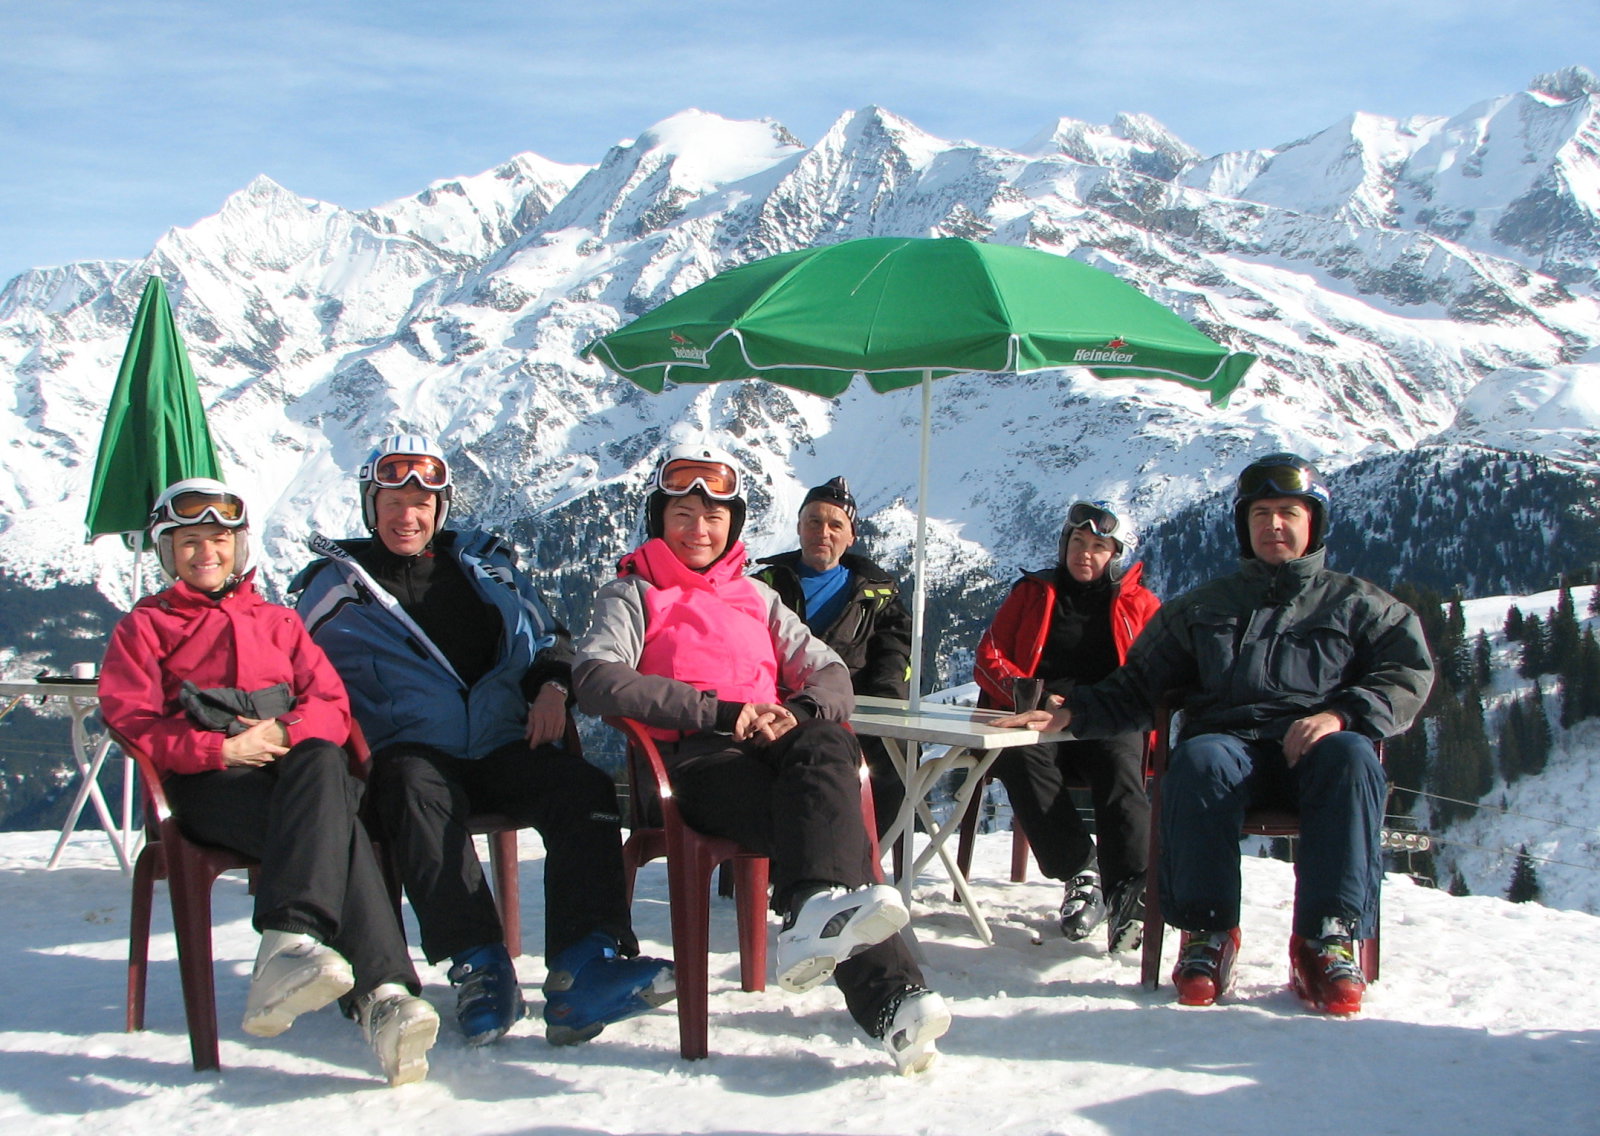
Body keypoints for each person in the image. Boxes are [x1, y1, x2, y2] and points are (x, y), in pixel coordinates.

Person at [997, 454, 1432, 1015]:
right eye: (1261, 514)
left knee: (1351, 758)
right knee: (1198, 759)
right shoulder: (1204, 606)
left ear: (1312, 523)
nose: (1273, 525)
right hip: (1229, 748)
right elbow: (1138, 685)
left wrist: (1344, 715)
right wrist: (1071, 713)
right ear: (1244, 525)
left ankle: (1327, 938)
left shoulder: (1359, 604)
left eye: (1287, 513)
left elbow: (1407, 674)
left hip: (1316, 750)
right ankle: (1207, 935)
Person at [572, 442, 951, 1074]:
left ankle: (813, 911)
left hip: (775, 745)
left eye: (714, 517)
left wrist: (796, 711)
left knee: (830, 742)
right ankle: (889, 993)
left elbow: (830, 672)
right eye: (683, 516)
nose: (699, 530)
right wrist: (717, 711)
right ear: (659, 521)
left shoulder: (756, 596)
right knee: (828, 829)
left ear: (733, 525)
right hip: (695, 761)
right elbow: (597, 677)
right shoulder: (632, 593)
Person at [292, 433, 672, 1048]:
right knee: (415, 790)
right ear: (371, 506)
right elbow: (297, 674)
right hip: (412, 748)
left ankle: (587, 962)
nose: (406, 517)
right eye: (392, 503)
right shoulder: (335, 588)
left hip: (501, 740)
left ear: (439, 509)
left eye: (421, 504)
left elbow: (550, 636)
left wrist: (552, 688)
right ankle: (479, 964)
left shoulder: (484, 563)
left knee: (583, 787)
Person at [99, 478, 439, 1086]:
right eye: (190, 542)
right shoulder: (145, 629)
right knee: (338, 824)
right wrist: (219, 746)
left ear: (240, 546)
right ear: (165, 551)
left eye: (220, 540)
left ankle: (293, 941)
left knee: (324, 764)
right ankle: (382, 993)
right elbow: (132, 720)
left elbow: (331, 703)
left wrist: (281, 734)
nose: (208, 553)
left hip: (289, 781)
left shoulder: (277, 622)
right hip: (207, 790)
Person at [974, 500, 1160, 951]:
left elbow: (1155, 672)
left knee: (1119, 768)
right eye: (1078, 542)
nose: (1085, 553)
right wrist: (1029, 691)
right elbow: (991, 652)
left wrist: (1100, 703)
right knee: (1016, 757)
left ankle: (1128, 893)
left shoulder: (1141, 605)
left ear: (1117, 555)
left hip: (1109, 715)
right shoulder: (1032, 593)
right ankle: (1081, 869)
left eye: (1098, 546)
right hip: (1040, 714)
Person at [750, 476, 912, 838]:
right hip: (778, 709)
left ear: (851, 536)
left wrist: (882, 713)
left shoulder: (879, 596)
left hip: (852, 710)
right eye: (814, 522)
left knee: (895, 761)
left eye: (835, 524)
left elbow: (894, 657)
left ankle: (868, 855)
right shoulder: (763, 587)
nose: (823, 532)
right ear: (799, 528)